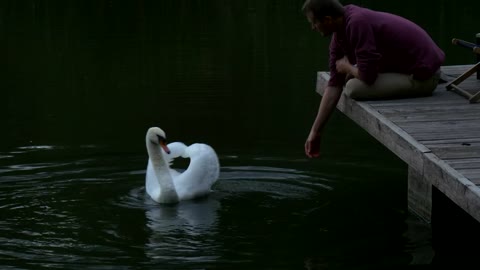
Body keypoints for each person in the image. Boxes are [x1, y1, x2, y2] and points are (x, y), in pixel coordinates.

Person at [302, 0, 445, 158]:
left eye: (314, 23)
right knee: (349, 80)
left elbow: (368, 77)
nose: (313, 28)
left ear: (328, 20)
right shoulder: (340, 34)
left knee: (353, 88)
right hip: (408, 69)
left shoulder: (357, 23)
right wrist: (315, 132)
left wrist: (349, 68)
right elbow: (334, 84)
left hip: (424, 76)